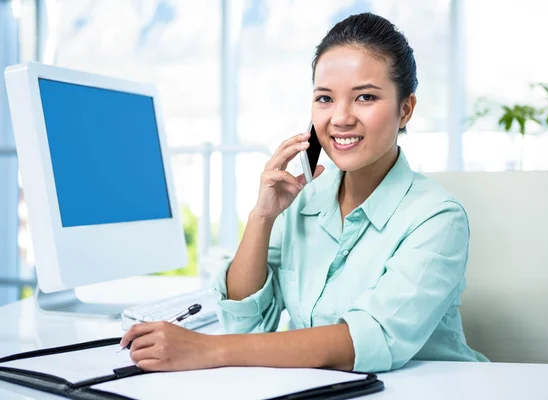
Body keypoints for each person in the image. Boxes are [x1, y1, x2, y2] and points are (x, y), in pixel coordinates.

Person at [120, 12, 488, 373]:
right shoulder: (305, 199)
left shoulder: (437, 217)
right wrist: (262, 217)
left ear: (405, 109)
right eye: (325, 99)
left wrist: (207, 349)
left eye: (365, 98)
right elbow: (248, 323)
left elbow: (371, 339)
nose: (340, 117)